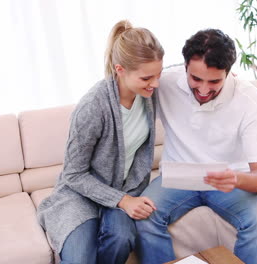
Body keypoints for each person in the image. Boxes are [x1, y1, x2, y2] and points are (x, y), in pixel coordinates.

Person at [136, 28, 257, 264]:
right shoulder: (166, 83)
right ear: (185, 68)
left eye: (214, 81)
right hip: (178, 175)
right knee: (143, 217)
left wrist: (235, 178)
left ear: (229, 73)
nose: (203, 90)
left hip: (230, 180)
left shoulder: (250, 100)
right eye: (196, 79)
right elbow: (127, 86)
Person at [37, 20, 164, 264]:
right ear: (120, 70)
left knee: (122, 238)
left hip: (124, 188)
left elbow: (184, 74)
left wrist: (226, 76)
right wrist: (123, 201)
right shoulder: (93, 107)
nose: (156, 83)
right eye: (148, 77)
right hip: (80, 194)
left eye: (159, 74)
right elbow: (74, 174)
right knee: (80, 258)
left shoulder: (148, 92)